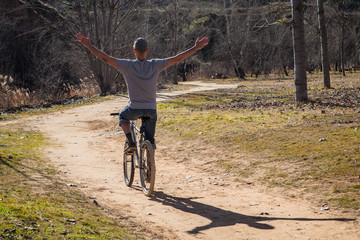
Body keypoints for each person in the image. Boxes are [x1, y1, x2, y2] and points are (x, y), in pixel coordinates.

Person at [76, 33, 209, 153]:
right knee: (150, 140)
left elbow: (105, 58)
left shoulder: (126, 65)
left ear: (134, 51)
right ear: (147, 50)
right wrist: (195, 48)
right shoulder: (156, 64)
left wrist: (89, 45)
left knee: (123, 116)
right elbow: (177, 58)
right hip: (152, 110)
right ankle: (150, 160)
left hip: (134, 108)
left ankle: (131, 142)